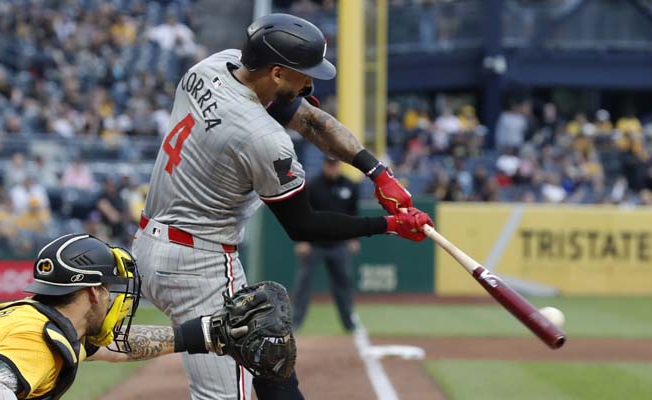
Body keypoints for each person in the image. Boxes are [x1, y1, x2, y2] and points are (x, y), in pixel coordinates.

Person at [132, 12, 433, 400]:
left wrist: (377, 172)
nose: (310, 83)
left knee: (271, 360)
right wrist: (388, 225)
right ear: (276, 72)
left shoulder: (211, 68)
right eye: (304, 73)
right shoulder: (264, 138)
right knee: (225, 395)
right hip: (199, 265)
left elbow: (311, 122)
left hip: (151, 242)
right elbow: (303, 226)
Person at [0, 234, 282, 400]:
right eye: (109, 289)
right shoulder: (41, 339)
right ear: (93, 293)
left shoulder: (36, 317)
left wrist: (205, 335)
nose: (112, 298)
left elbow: (119, 346)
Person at [292, 157, 359, 332]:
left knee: (343, 285)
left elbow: (353, 213)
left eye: (335, 164)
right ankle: (296, 322)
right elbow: (301, 214)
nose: (332, 168)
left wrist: (353, 238)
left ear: (339, 165)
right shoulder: (313, 186)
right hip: (315, 245)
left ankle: (349, 323)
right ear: (324, 165)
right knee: (303, 285)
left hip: (339, 244)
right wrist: (302, 240)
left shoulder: (350, 185)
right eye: (329, 165)